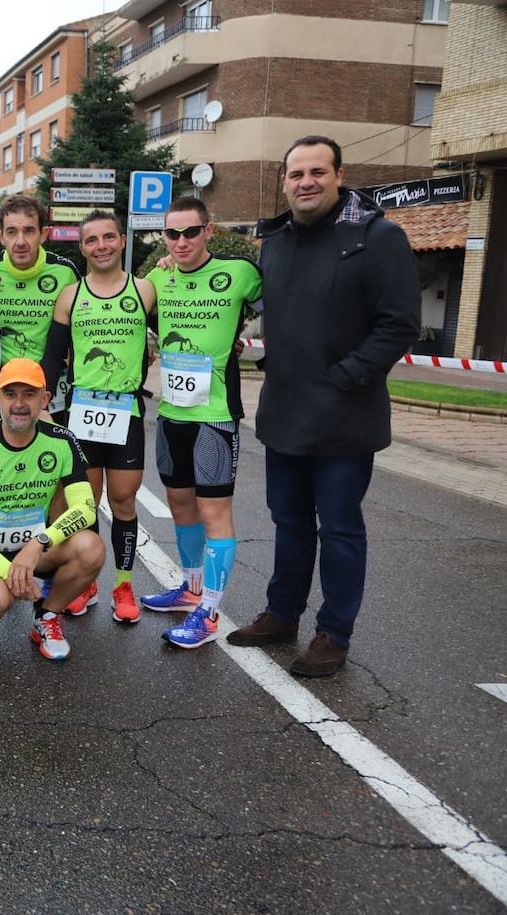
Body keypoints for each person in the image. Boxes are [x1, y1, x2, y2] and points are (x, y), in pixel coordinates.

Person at [227, 135, 419, 676]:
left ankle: (334, 632)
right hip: (285, 410)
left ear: (339, 176)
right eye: (296, 174)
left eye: (317, 171)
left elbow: (399, 323)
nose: (306, 182)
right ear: (284, 181)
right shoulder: (278, 241)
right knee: (289, 521)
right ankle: (283, 614)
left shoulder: (377, 237)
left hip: (344, 415)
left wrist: (346, 377)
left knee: (338, 528)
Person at [139, 197, 263, 649]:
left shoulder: (239, 272)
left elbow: (284, 298)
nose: (182, 241)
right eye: (173, 234)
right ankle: (190, 591)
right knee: (180, 505)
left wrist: (257, 343)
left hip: (215, 417)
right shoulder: (159, 276)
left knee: (215, 514)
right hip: (172, 414)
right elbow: (121, 304)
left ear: (208, 231)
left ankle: (209, 613)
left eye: (191, 232)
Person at [0, 359, 104, 659]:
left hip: (35, 548)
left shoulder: (62, 441)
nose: (19, 403)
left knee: (91, 547)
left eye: (29, 394)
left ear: (45, 399)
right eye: (11, 394)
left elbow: (86, 508)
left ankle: (47, 616)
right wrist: (9, 571)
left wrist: (40, 542)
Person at [42, 210, 157, 625]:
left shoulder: (144, 290)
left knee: (123, 501)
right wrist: (42, 401)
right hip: (82, 413)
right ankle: (85, 580)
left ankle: (123, 585)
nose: (101, 246)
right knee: (84, 504)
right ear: (82, 247)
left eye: (108, 237)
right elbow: (53, 356)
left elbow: (180, 329)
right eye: (92, 240)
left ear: (122, 241)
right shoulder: (71, 296)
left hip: (125, 410)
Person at [0, 194, 79, 416]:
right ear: (1, 236)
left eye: (29, 231)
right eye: (12, 232)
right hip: (3, 387)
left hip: (50, 386)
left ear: (43, 234)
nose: (20, 241)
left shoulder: (64, 272)